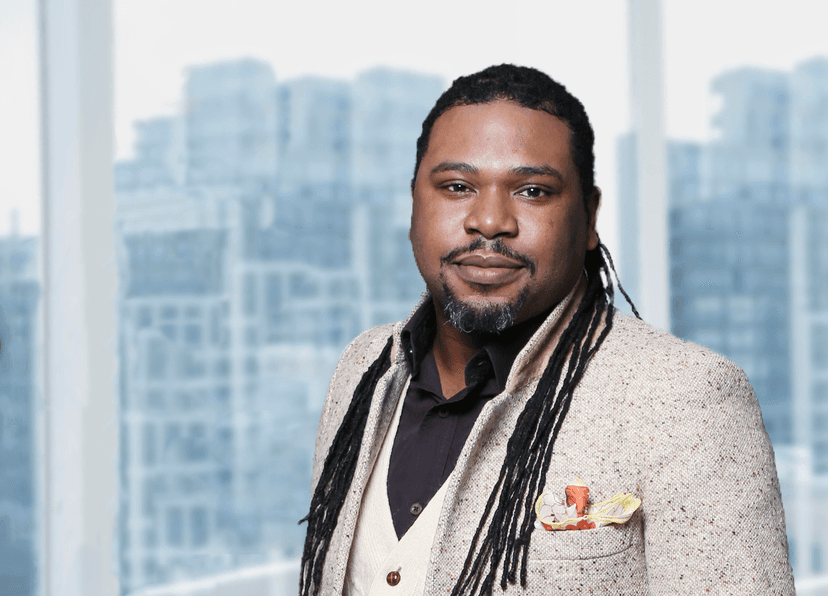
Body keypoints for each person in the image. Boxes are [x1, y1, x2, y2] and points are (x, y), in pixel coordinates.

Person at [299, 64, 794, 596]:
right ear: (415, 203)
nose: (489, 221)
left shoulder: (684, 397)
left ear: (589, 216)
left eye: (533, 190)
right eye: (458, 186)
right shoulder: (364, 367)